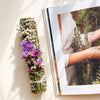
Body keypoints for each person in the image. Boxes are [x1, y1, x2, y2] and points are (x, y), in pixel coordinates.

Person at [58, 13, 100, 85]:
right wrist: (89, 53)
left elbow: (74, 40)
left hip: (73, 79)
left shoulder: (65, 14)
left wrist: (94, 36)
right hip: (60, 82)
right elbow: (55, 62)